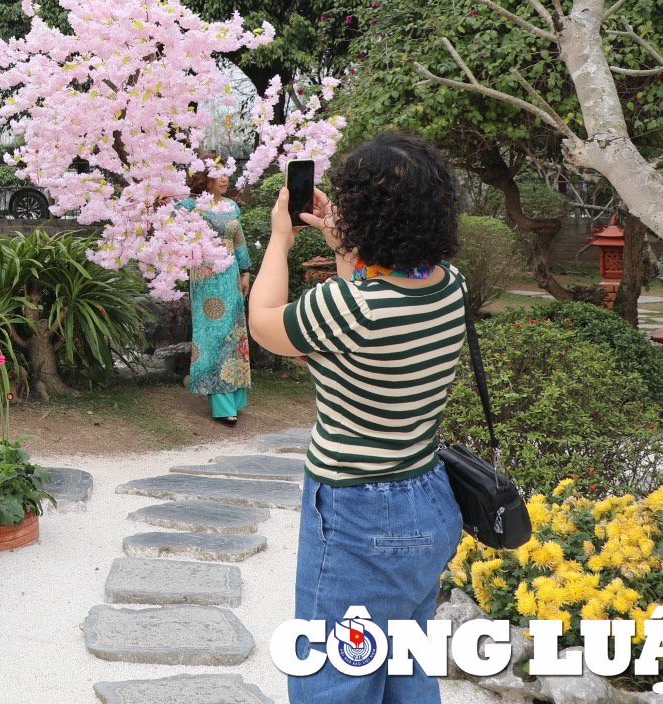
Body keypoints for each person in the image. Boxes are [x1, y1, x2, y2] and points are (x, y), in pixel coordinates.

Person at [247, 132, 468, 704]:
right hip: (428, 497)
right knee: (404, 662)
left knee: (333, 677)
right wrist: (344, 238)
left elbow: (265, 321)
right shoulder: (448, 285)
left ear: (365, 219)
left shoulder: (349, 309)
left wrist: (281, 238)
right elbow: (370, 284)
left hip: (360, 513)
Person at [184, 169, 252, 427]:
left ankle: (235, 398)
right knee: (213, 333)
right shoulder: (190, 204)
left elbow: (239, 240)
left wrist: (245, 271)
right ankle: (221, 404)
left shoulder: (232, 206)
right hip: (206, 277)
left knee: (234, 333)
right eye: (218, 175)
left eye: (227, 175)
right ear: (204, 177)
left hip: (231, 276)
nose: (225, 179)